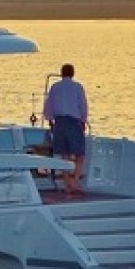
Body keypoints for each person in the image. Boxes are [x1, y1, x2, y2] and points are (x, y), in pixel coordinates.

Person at [42, 63, 90, 196]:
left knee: (64, 155)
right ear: (73, 73)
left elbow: (49, 105)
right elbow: (83, 105)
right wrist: (83, 120)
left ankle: (67, 183)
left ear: (61, 73)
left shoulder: (55, 87)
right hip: (74, 122)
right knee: (80, 155)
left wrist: (50, 120)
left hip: (59, 122)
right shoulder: (78, 87)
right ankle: (75, 182)